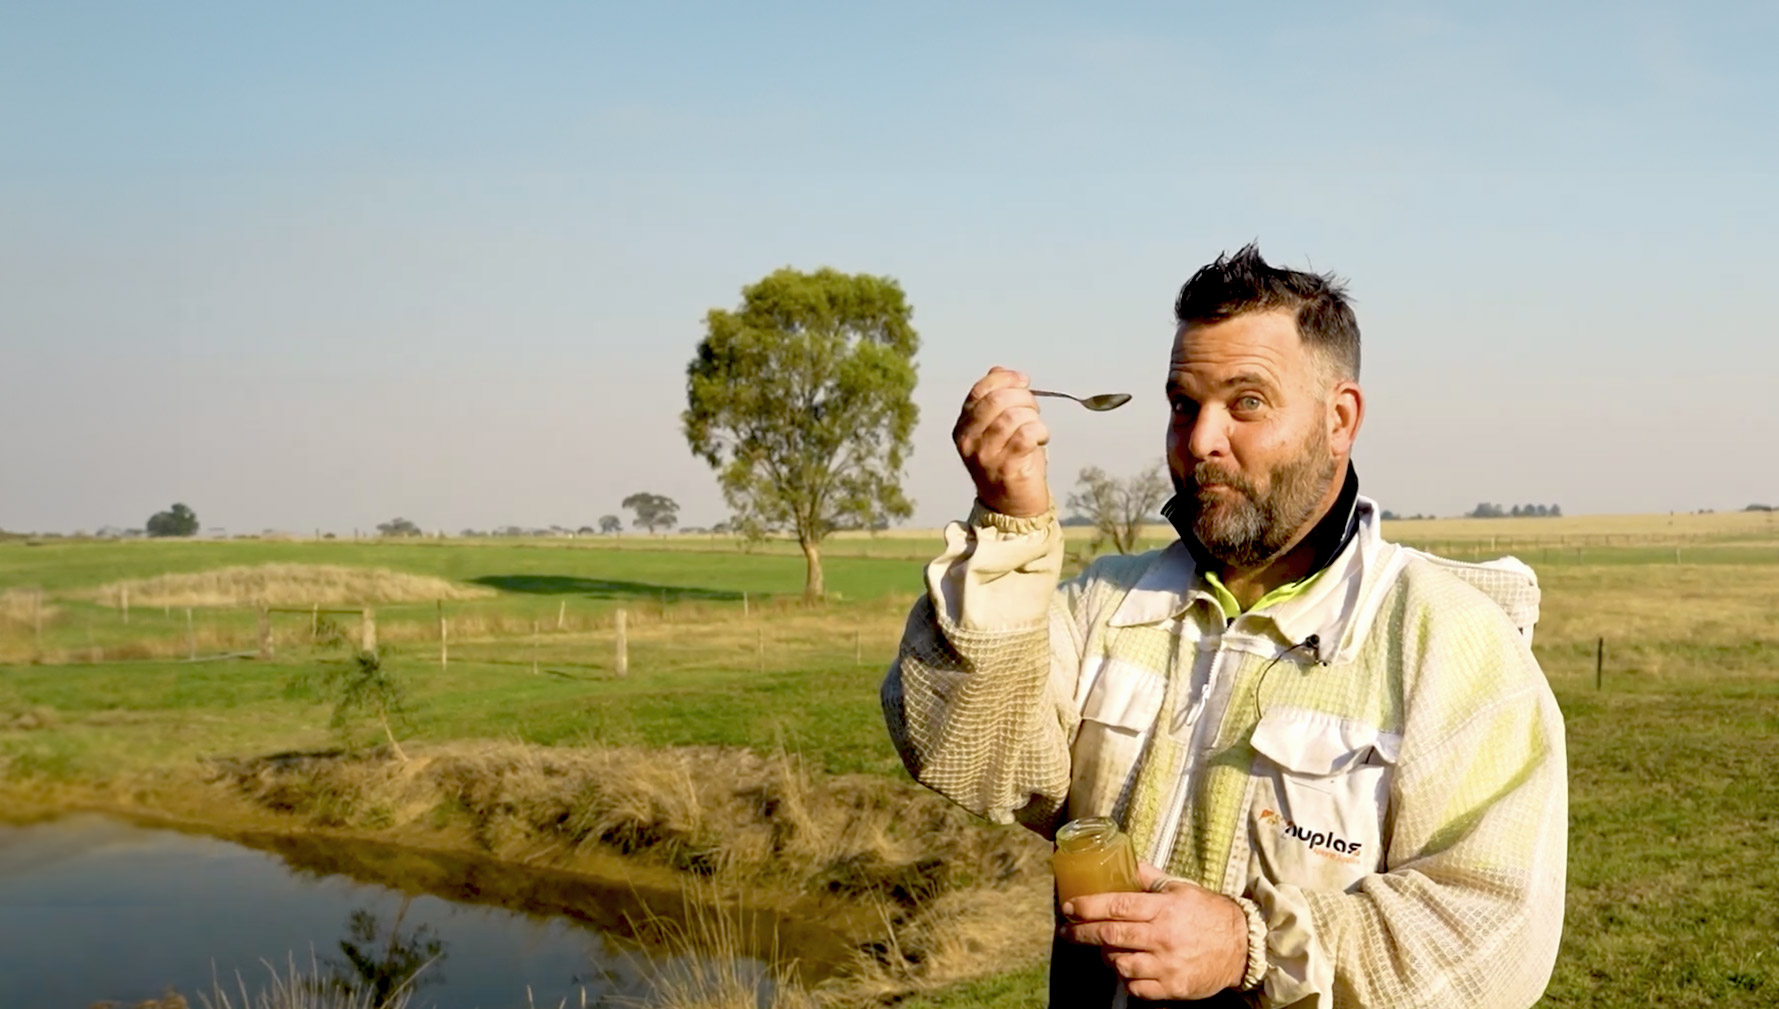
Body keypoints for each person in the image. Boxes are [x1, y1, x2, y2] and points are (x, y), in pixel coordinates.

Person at [881, 244, 1566, 1007]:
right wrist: (1008, 525)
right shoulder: (1109, 602)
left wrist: (1251, 942)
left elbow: (1491, 935)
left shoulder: (1448, 638)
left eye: (1245, 402)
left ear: (1339, 420)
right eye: (1183, 403)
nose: (1201, 438)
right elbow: (972, 757)